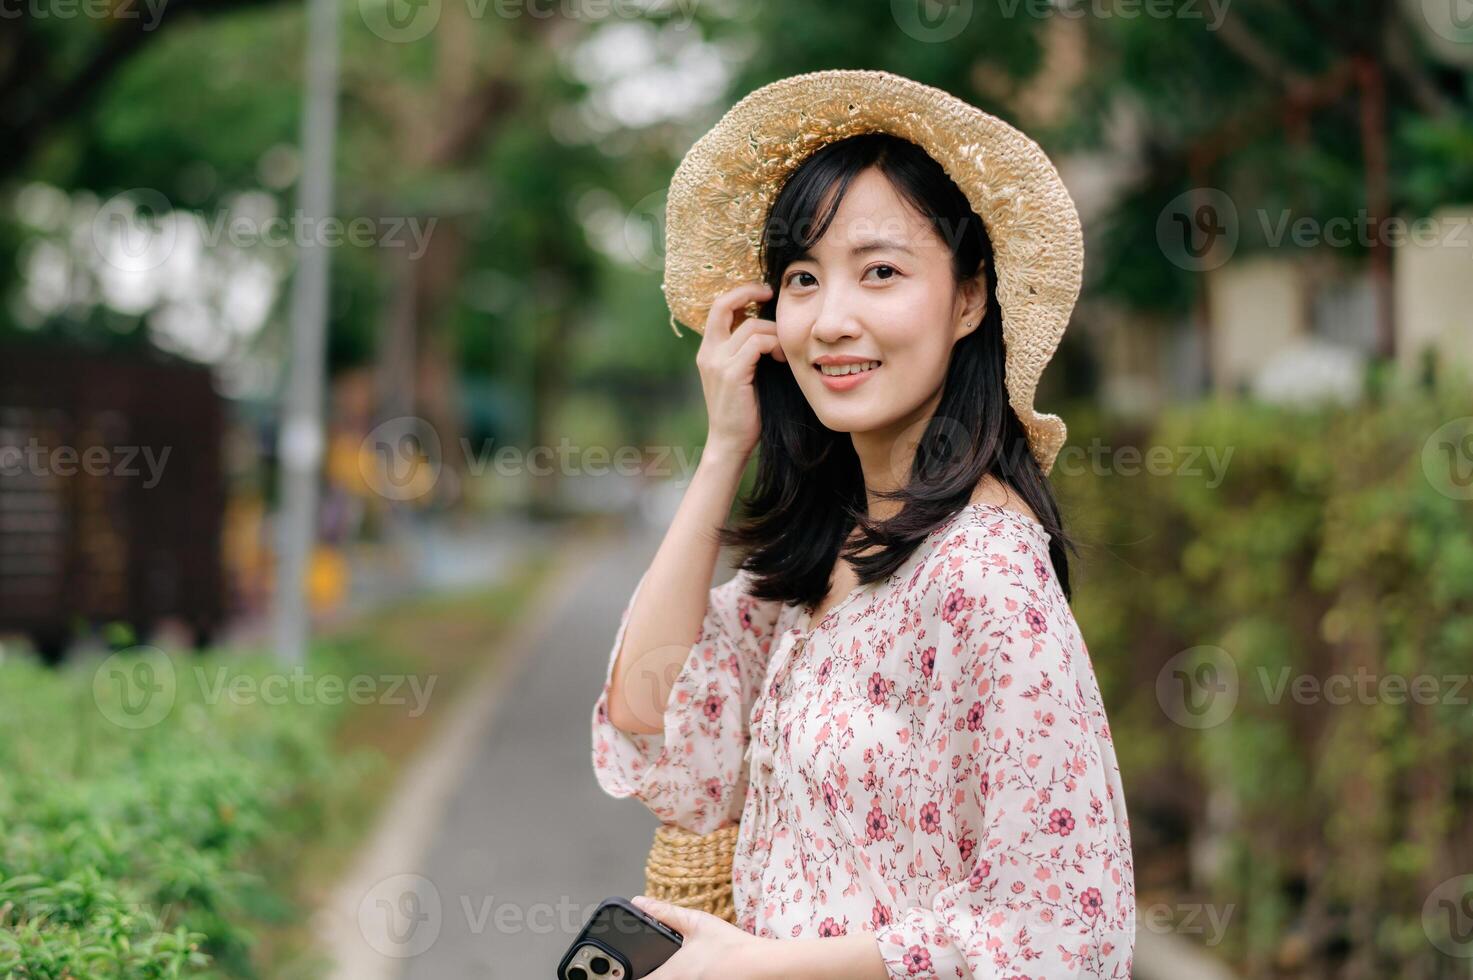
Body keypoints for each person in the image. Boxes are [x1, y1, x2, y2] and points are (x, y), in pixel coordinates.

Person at [591, 70, 1135, 979]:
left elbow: (1063, 932)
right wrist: (725, 447)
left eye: (880, 271)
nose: (831, 320)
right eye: (802, 278)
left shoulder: (984, 574)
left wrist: (755, 966)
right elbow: (654, 722)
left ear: (968, 298)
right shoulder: (831, 558)